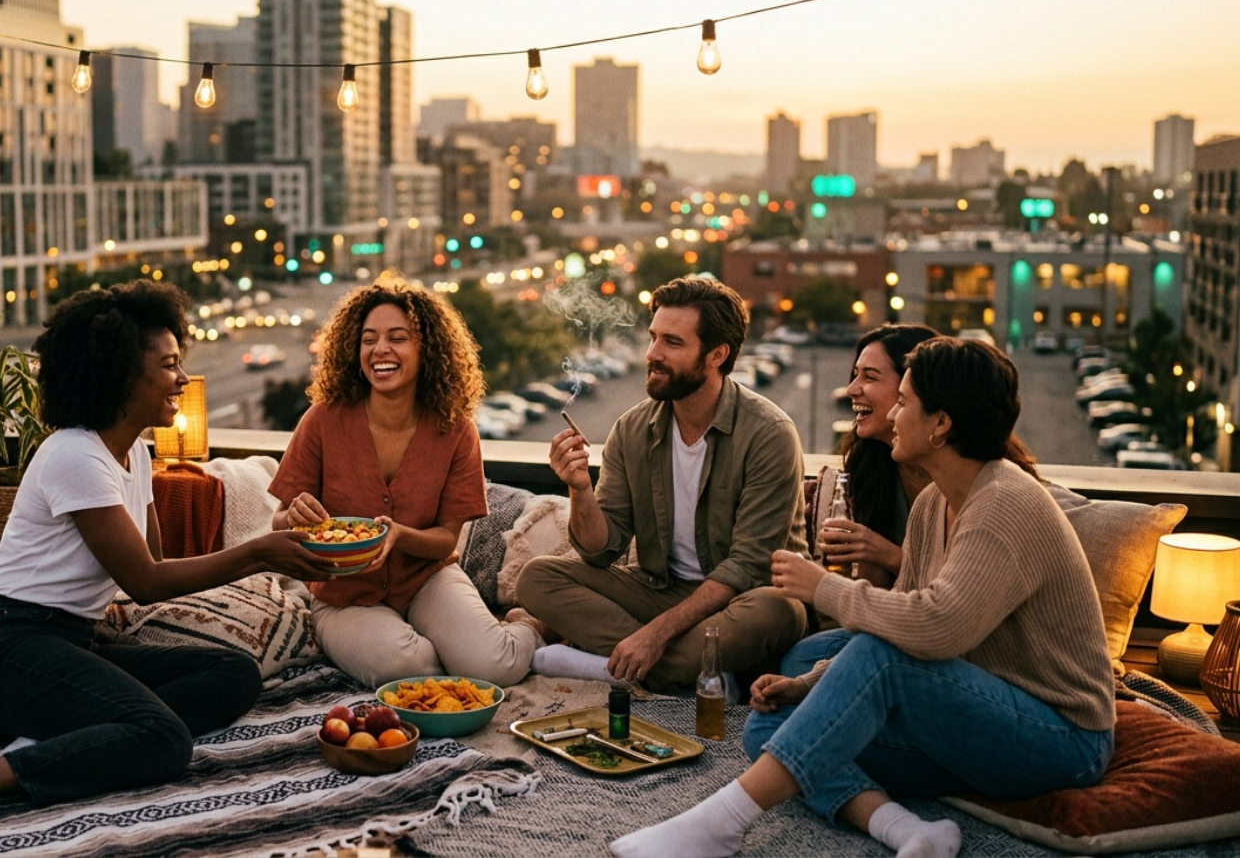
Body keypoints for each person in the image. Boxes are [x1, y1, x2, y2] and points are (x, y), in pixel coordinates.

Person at [609, 337, 1115, 858]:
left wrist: (823, 586)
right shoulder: (934, 504)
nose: (893, 413)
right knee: (773, 722)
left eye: (904, 402)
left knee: (871, 663)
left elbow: (935, 630)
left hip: (1061, 739)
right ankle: (904, 829)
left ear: (940, 424)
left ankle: (723, 821)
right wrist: (805, 685)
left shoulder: (1006, 504)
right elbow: (901, 631)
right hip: (974, 707)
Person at [0, 280, 328, 837]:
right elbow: (144, 581)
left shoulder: (134, 454)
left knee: (232, 672)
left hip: (71, 643)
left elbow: (157, 564)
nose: (181, 379)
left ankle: (71, 741)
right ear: (122, 373)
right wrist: (263, 553)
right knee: (164, 739)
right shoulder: (73, 454)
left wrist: (269, 546)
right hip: (8, 652)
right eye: (168, 365)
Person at [516, 276, 808, 690]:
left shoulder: (769, 433)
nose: (652, 354)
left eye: (672, 343)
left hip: (739, 599)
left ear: (716, 355)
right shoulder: (632, 429)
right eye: (653, 338)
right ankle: (696, 670)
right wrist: (579, 489)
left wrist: (655, 634)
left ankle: (604, 665)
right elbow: (602, 550)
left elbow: (746, 567)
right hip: (660, 589)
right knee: (536, 577)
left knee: (778, 610)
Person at [269, 280, 544, 688]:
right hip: (342, 595)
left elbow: (446, 540)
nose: (381, 350)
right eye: (369, 339)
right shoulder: (322, 419)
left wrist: (399, 536)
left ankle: (528, 627)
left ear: (427, 349)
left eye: (398, 338)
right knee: (403, 668)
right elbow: (279, 524)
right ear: (353, 350)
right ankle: (447, 648)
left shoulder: (456, 429)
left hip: (425, 577)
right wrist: (293, 516)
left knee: (494, 668)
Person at [816, 324, 1041, 590]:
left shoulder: (986, 490)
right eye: (855, 375)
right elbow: (881, 591)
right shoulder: (871, 467)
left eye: (870, 377)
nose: (851, 389)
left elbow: (953, 602)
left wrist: (885, 555)